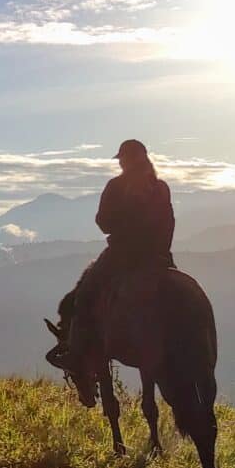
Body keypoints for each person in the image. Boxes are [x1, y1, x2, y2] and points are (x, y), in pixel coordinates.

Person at [68, 138, 176, 346]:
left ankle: (77, 353)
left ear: (126, 160)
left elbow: (103, 223)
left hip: (122, 255)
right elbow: (169, 222)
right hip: (160, 256)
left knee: (84, 295)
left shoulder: (116, 186)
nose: (120, 163)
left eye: (121, 159)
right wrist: (162, 251)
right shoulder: (161, 188)